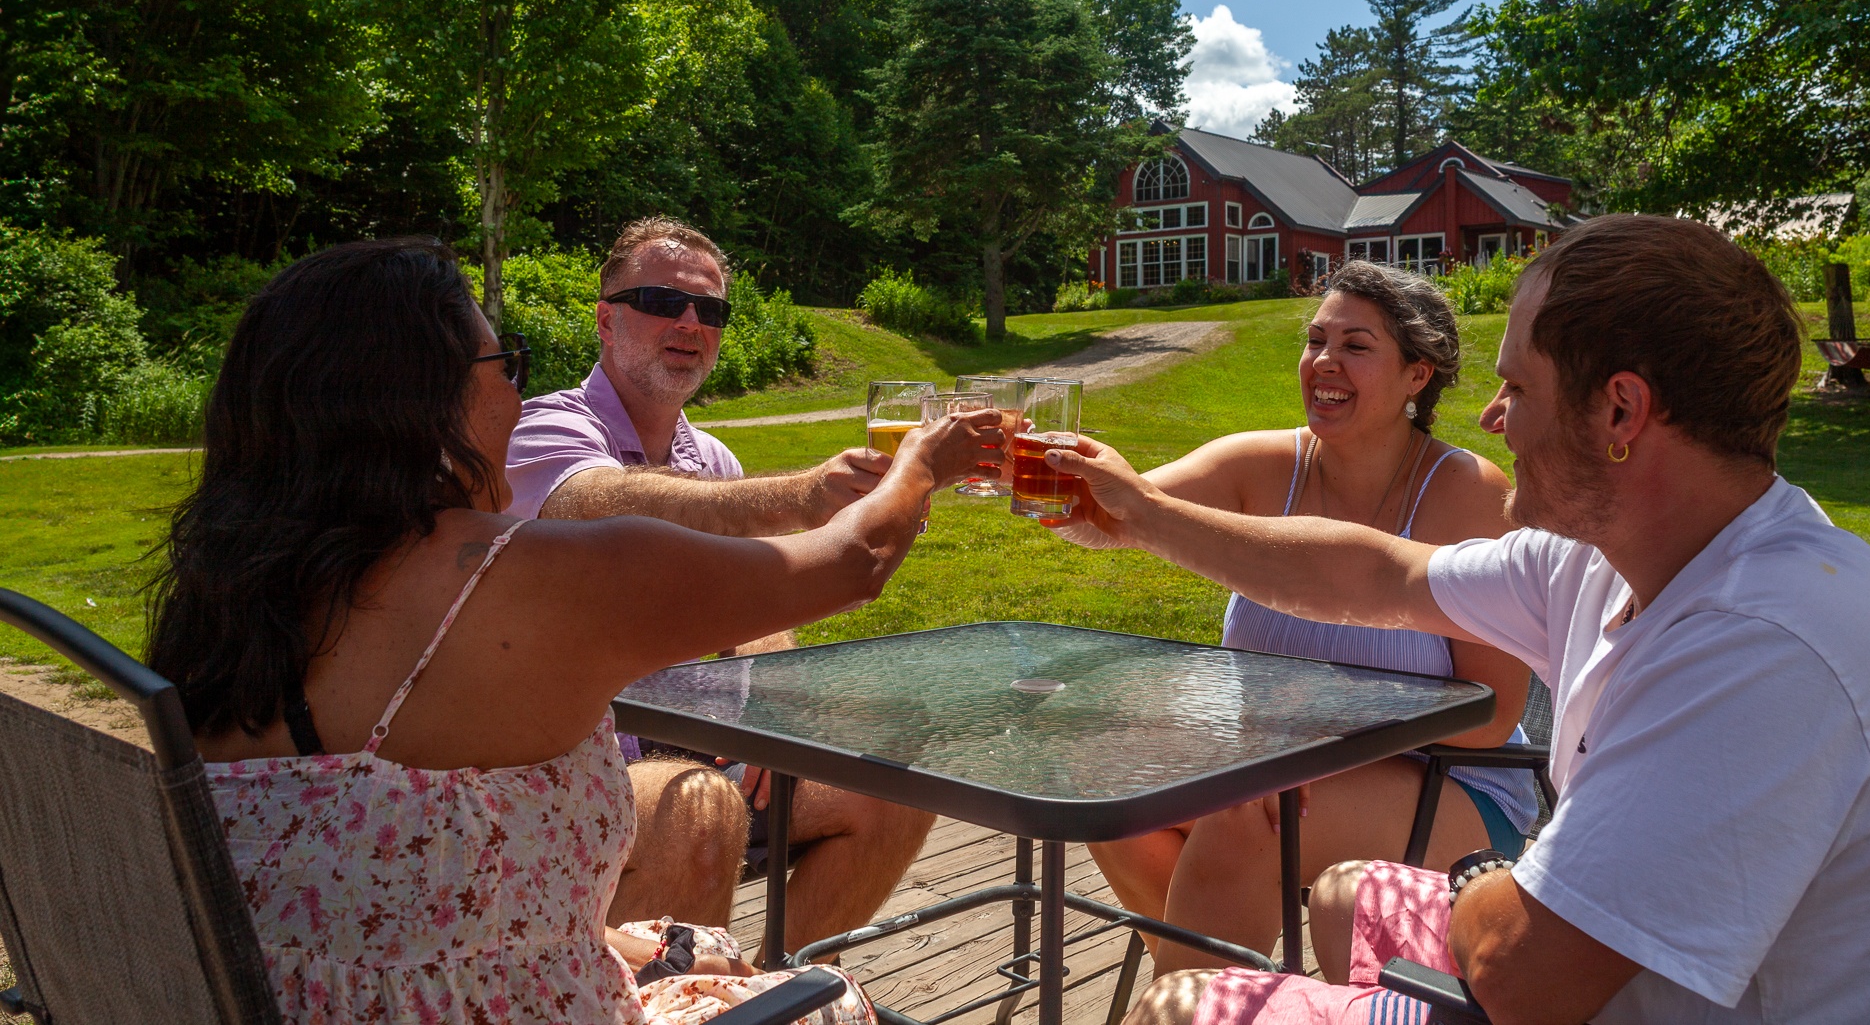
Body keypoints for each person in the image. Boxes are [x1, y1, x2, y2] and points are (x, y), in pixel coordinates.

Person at [1056, 216, 1870, 1024]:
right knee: (1348, 892)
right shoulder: (1616, 550)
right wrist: (1142, 512)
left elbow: (1518, 974)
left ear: (1620, 410)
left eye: (1520, 387)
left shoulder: (1763, 647)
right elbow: (1379, 572)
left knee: (1189, 1006)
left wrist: (1481, 878)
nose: (1496, 417)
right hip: (1632, 975)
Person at [155, 239, 996, 1024]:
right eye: (506, 364)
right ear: (420, 396)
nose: (519, 396)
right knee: (834, 997)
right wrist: (922, 462)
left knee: (709, 938)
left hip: (323, 987)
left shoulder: (226, 593)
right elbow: (851, 564)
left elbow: (396, 863)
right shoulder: (516, 574)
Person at [1070, 260, 1534, 972]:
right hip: (1273, 764)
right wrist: (1043, 474)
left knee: (1249, 804)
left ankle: (1196, 999)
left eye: (1355, 345)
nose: (1323, 361)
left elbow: (1495, 714)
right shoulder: (1262, 464)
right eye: (1315, 339)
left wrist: (1313, 737)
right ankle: (1224, 992)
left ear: (1418, 374)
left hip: (1453, 781)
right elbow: (1118, 513)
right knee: (1105, 776)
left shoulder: (1468, 493)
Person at [504, 217, 938, 961]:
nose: (689, 323)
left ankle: (771, 992)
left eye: (710, 310)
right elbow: (604, 506)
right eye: (661, 301)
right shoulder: (545, 430)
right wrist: (802, 498)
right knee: (698, 812)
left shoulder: (713, 455)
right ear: (607, 318)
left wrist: (767, 719)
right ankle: (684, 998)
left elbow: (758, 599)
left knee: (896, 780)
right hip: (585, 772)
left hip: (715, 753)